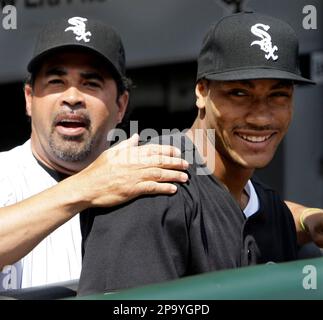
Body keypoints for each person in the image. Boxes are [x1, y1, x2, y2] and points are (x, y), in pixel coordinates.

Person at [78, 11, 323, 296]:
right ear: (201, 91)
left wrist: (307, 217)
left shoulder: (270, 209)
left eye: (278, 95)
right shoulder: (152, 185)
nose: (261, 117)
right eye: (239, 93)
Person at [0, 17, 191, 290]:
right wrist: (88, 185)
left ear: (121, 106)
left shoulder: (147, 182)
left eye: (91, 83)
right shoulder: (4, 173)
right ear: (29, 98)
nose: (73, 97)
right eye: (56, 81)